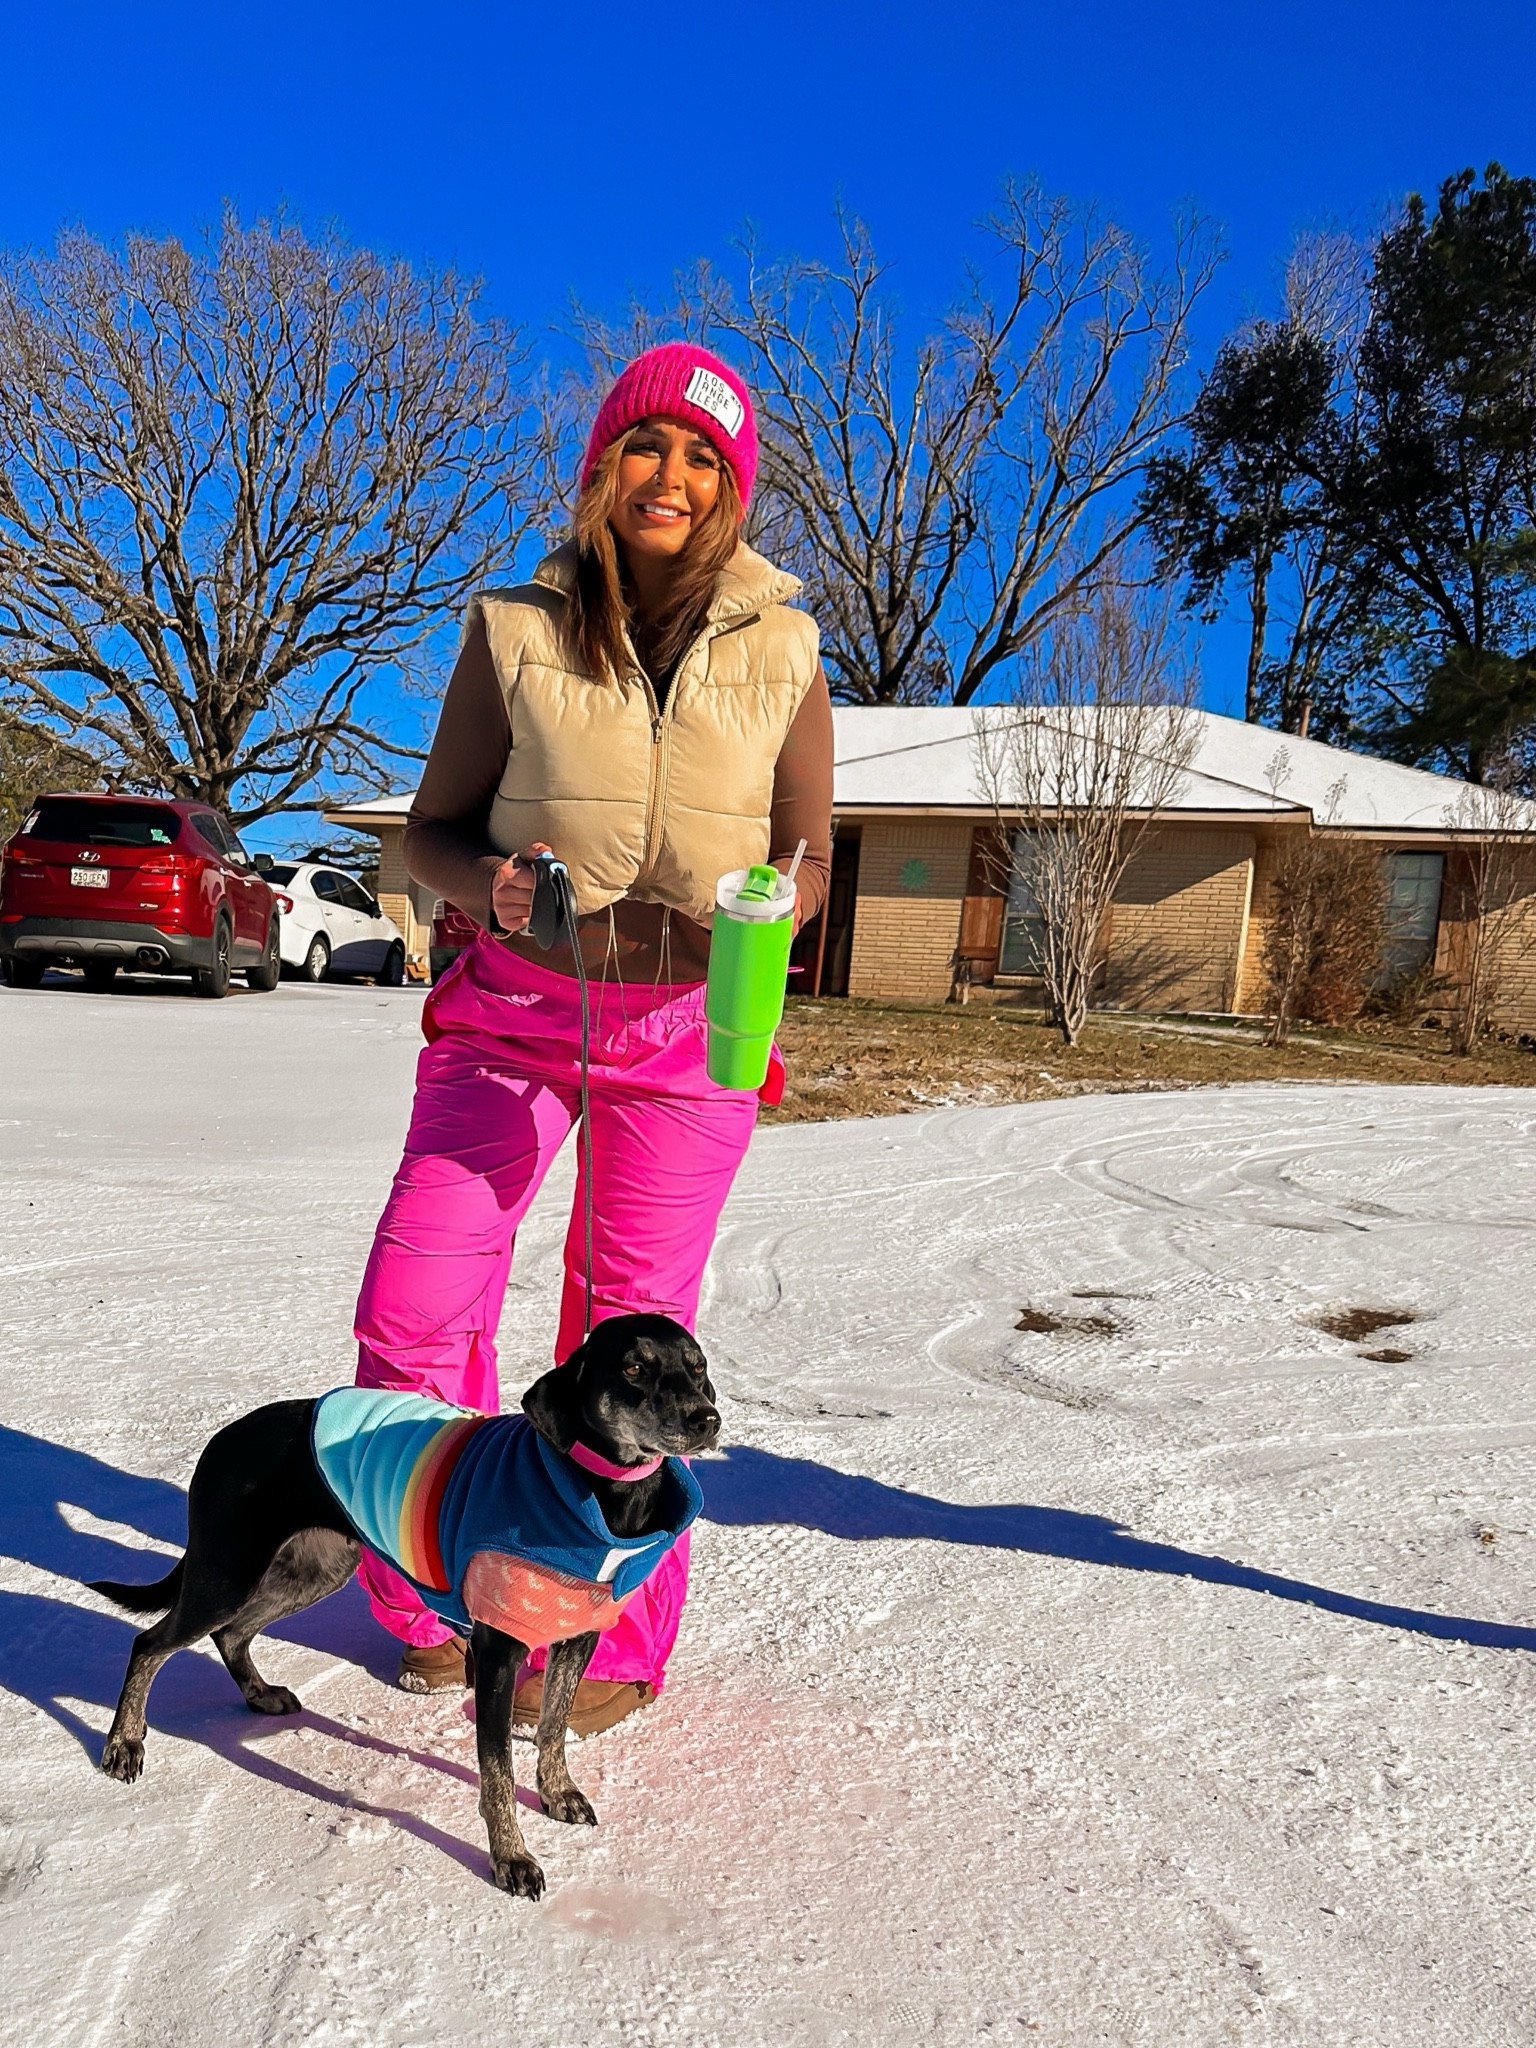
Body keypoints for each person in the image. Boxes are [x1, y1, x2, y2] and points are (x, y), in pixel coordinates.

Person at [352, 344, 834, 1732]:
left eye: (702, 458)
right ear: (601, 465)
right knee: (414, 1310)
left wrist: (780, 897)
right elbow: (433, 832)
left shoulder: (786, 649)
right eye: (646, 446)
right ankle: (435, 1593)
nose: (670, 478)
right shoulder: (513, 629)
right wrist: (484, 886)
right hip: (510, 1019)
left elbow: (811, 855)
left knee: (629, 1346)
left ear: (731, 488)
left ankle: (606, 1634)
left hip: (689, 1033)